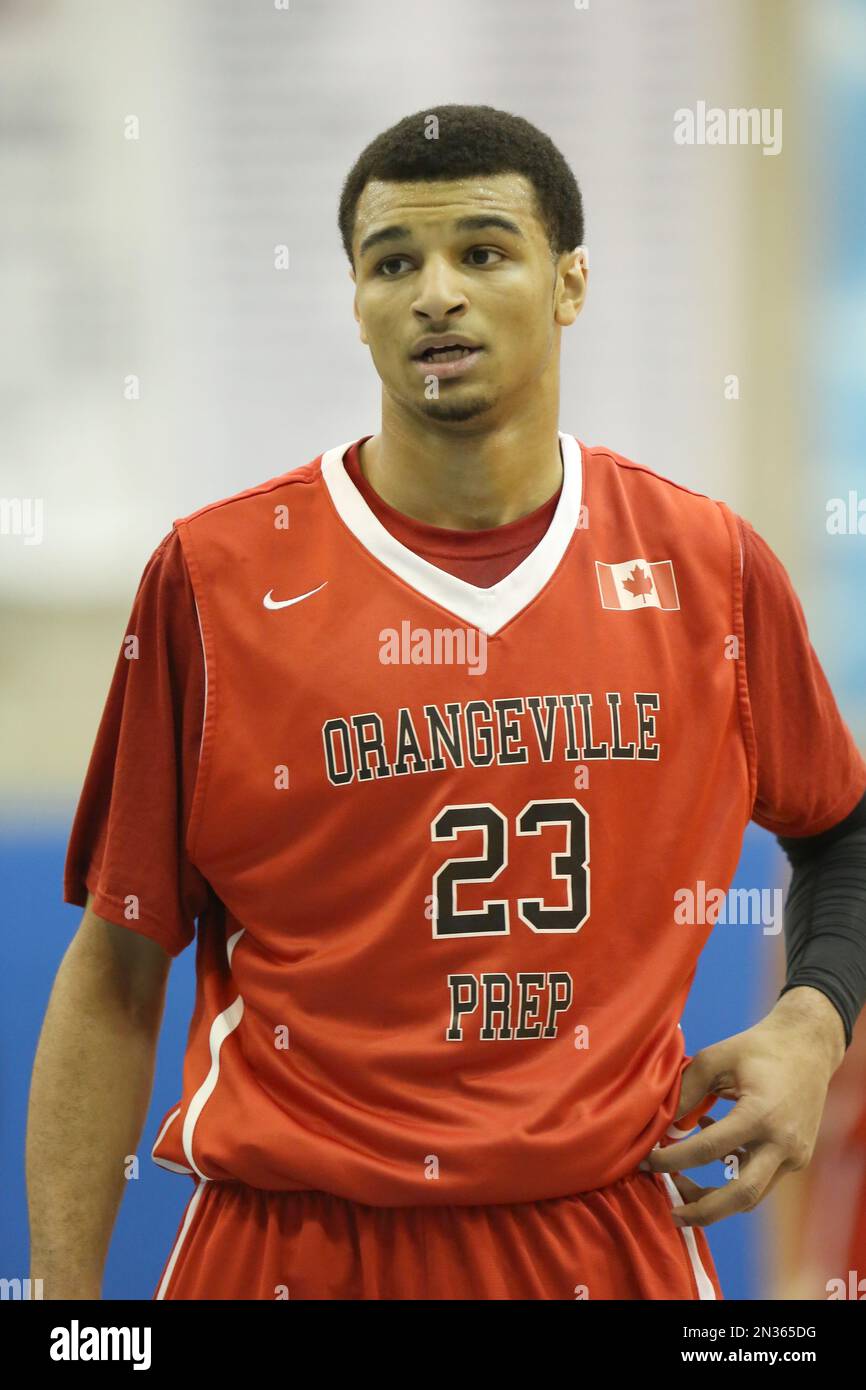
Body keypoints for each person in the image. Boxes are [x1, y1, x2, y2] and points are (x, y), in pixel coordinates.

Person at [27, 103, 866, 1300]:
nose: (434, 294)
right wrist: (62, 1314)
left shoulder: (705, 568)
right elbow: (117, 965)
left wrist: (812, 1020)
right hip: (287, 1245)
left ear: (569, 282)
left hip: (600, 1234)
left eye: (480, 251)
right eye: (392, 264)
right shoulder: (214, 581)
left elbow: (842, 827)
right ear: (355, 301)